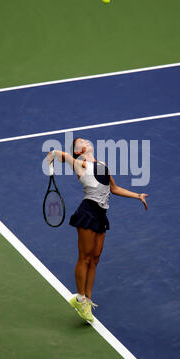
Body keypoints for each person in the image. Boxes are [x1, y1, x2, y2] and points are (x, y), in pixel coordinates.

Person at [47, 138, 148, 322]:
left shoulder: (103, 164)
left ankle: (88, 300)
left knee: (94, 259)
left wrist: (137, 195)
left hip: (101, 215)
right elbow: (63, 155)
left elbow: (114, 188)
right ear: (80, 150)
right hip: (87, 212)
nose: (85, 141)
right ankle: (79, 298)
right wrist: (52, 155)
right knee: (84, 257)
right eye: (81, 141)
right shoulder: (79, 164)